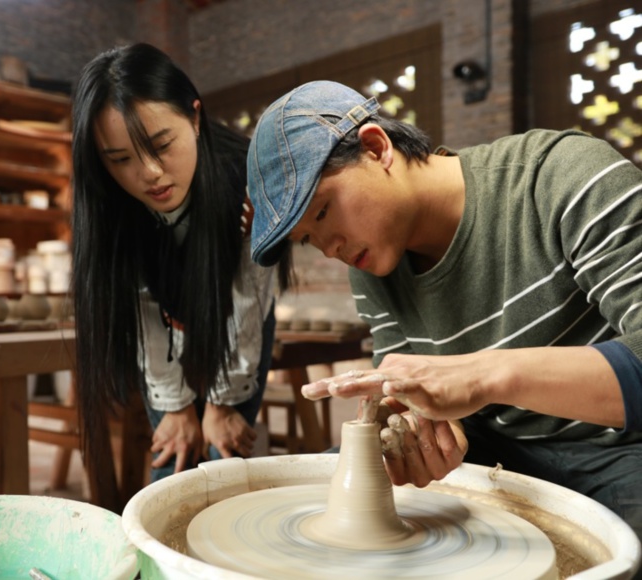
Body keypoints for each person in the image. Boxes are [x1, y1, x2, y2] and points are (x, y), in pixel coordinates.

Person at [245, 80, 642, 547]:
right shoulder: (371, 268)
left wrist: (483, 375)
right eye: (309, 239)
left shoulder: (558, 176)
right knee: (329, 482)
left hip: (617, 448)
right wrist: (411, 429)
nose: (330, 248)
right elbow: (414, 401)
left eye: (325, 211)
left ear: (376, 148)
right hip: (494, 448)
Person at [71, 43, 290, 485]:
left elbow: (247, 299)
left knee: (221, 455)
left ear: (193, 117)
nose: (149, 172)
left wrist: (222, 404)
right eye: (121, 160)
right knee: (173, 459)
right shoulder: (109, 203)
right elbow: (144, 310)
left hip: (236, 308)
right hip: (165, 322)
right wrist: (174, 406)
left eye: (161, 145)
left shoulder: (249, 181)